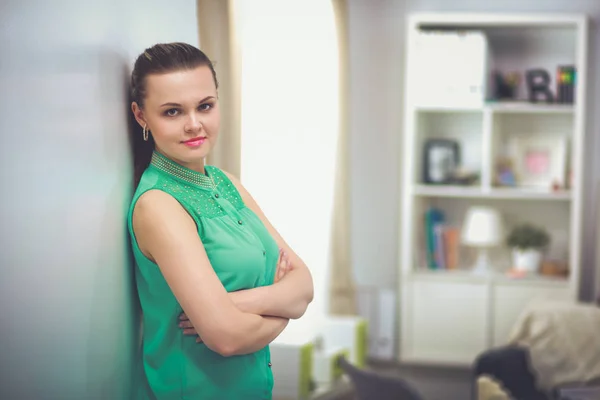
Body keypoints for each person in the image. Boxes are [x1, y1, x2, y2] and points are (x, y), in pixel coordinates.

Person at [127, 42, 314, 400]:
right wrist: (284, 312)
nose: (194, 124)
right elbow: (226, 337)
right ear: (141, 116)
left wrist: (238, 304)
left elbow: (303, 285)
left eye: (205, 106)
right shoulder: (158, 205)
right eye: (172, 112)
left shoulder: (227, 183)